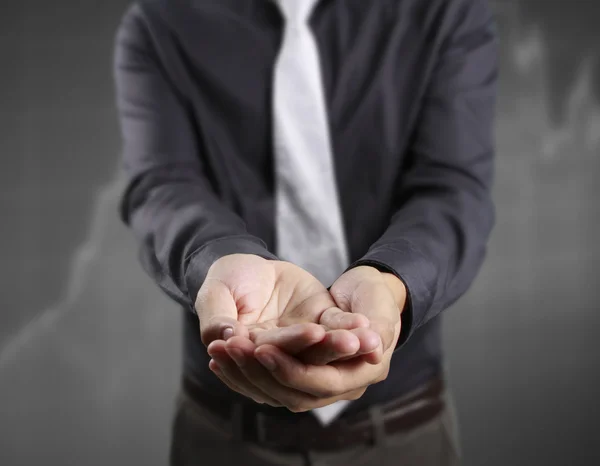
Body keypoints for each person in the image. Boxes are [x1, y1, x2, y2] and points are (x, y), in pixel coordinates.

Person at [113, 0, 497, 464]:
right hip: (222, 438)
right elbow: (162, 185)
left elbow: (452, 188)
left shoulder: (445, 10)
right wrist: (218, 257)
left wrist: (391, 282)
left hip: (403, 433)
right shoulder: (160, 22)